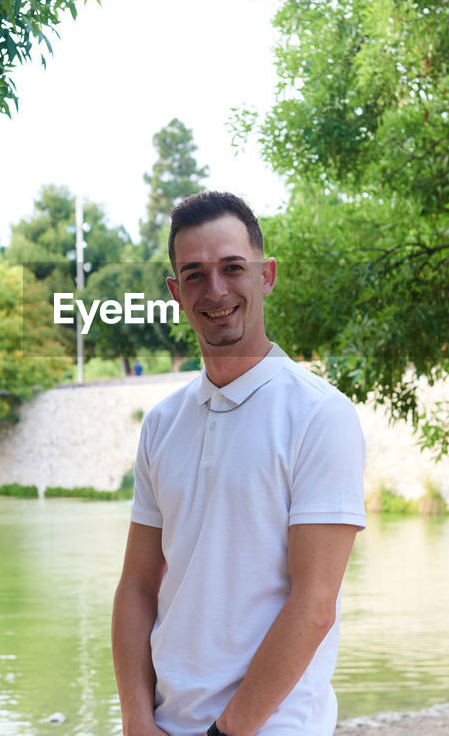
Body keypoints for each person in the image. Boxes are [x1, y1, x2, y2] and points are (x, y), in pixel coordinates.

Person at [112, 191, 366, 736]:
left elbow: (315, 603)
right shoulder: (161, 424)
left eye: (233, 267)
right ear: (176, 293)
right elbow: (137, 585)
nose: (217, 289)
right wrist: (136, 718)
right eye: (196, 275)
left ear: (267, 274)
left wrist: (227, 732)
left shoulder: (320, 415)